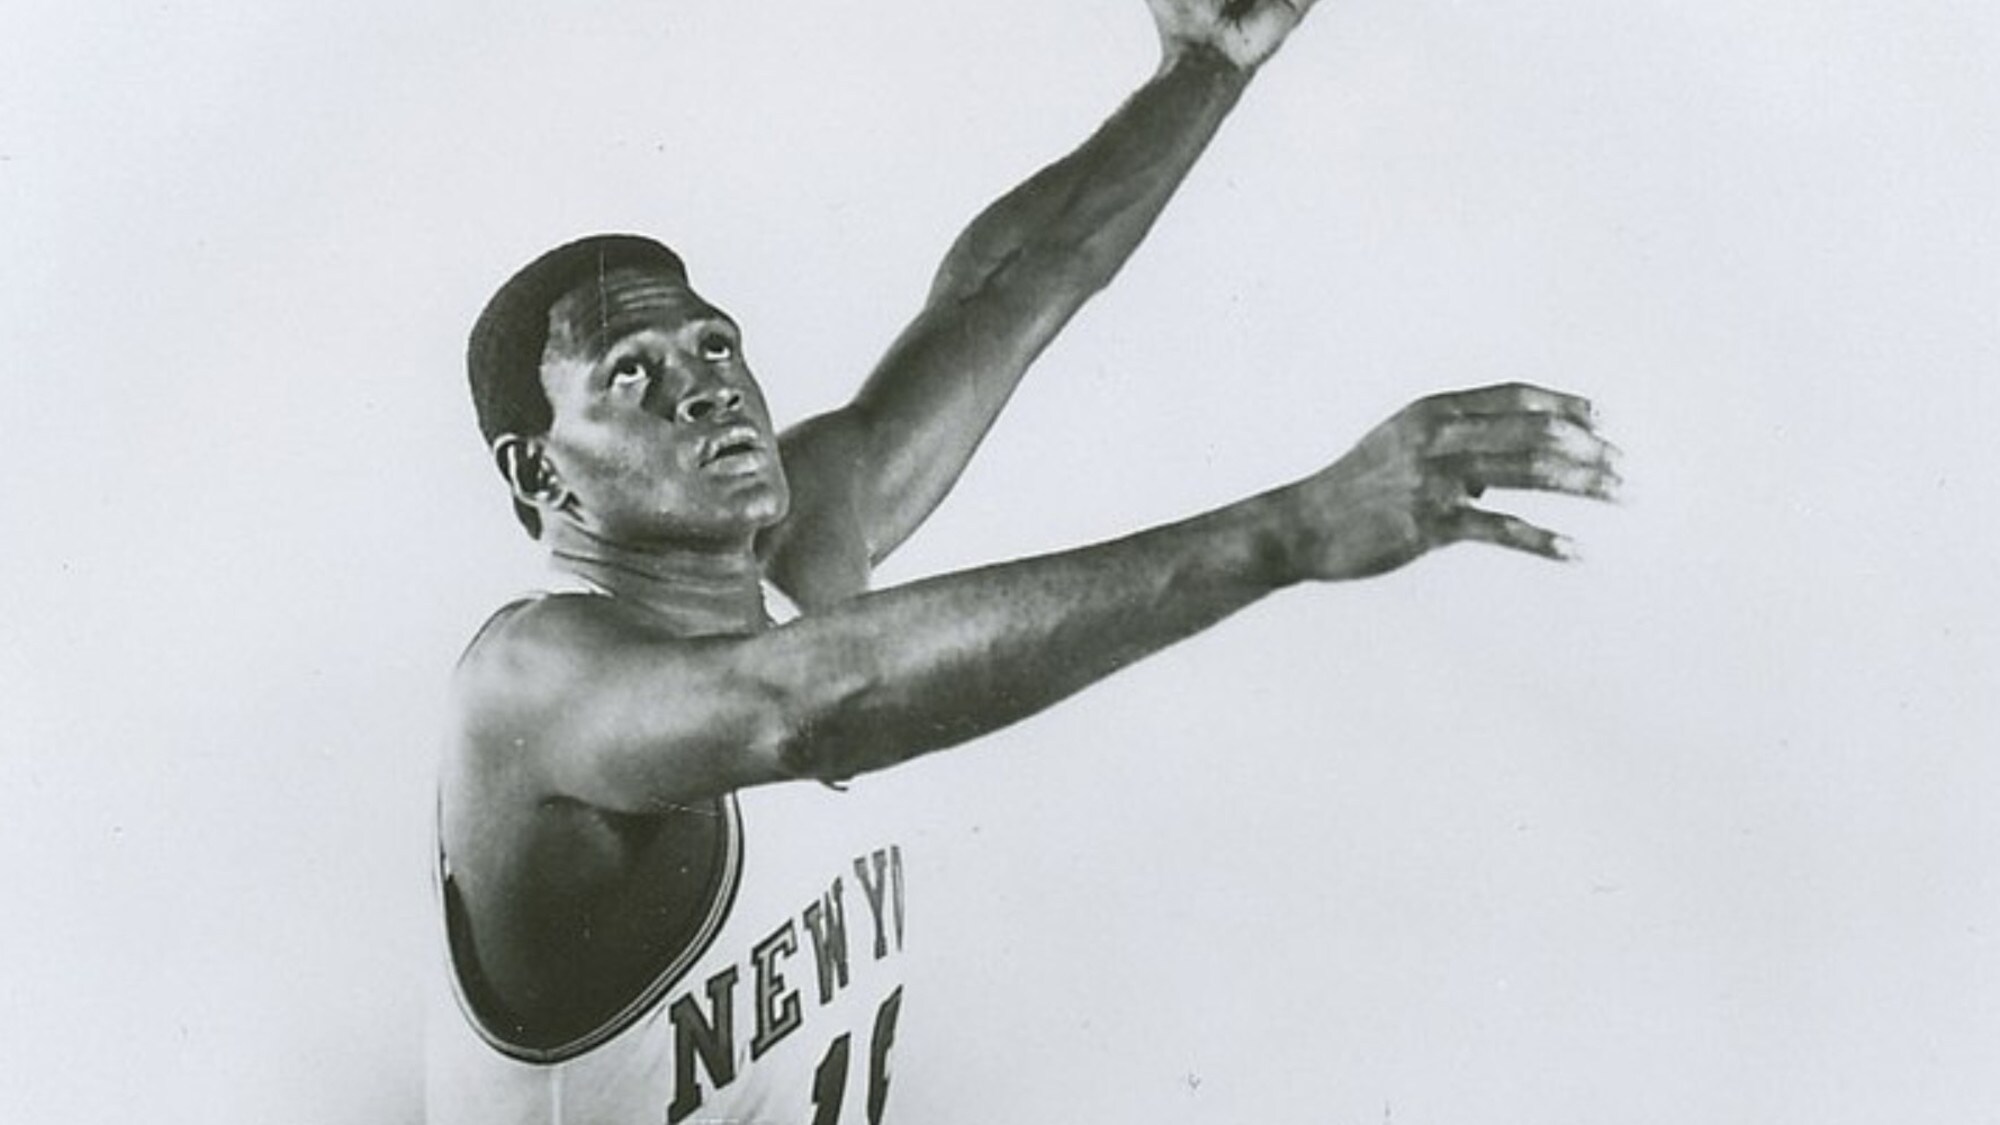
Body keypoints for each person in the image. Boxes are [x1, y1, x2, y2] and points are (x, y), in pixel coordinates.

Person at [428, 0, 1621, 1121]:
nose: (703, 385)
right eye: (629, 373)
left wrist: (1203, 73)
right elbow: (810, 706)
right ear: (539, 474)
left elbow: (1002, 293)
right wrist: (1288, 529)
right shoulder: (531, 682)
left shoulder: (787, 552)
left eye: (712, 344)